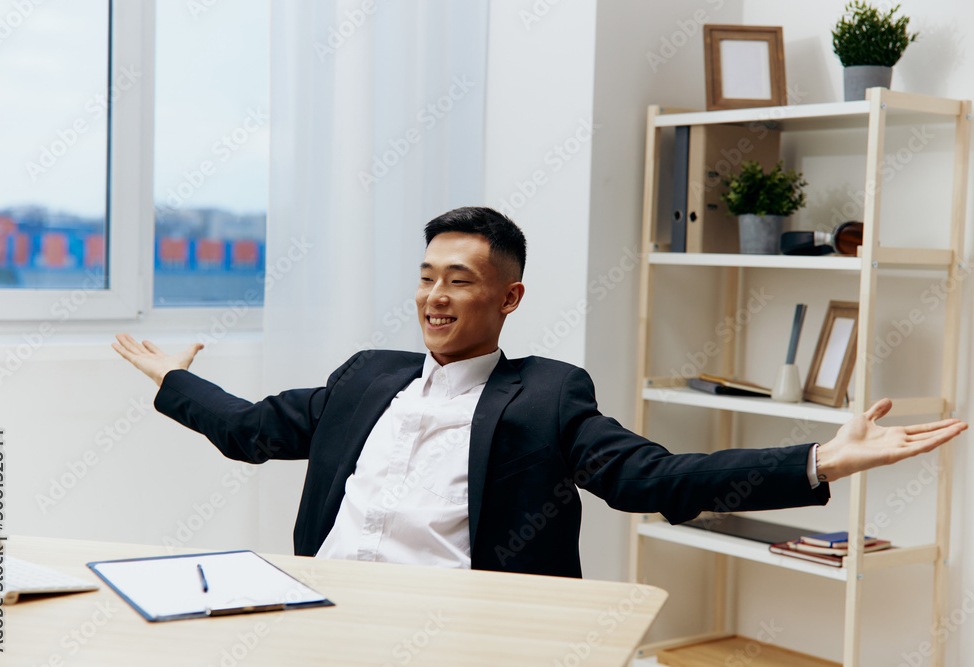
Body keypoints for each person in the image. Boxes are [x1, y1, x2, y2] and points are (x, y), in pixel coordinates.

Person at [113, 206, 966, 578]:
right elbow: (251, 430)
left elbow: (653, 479)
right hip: (331, 605)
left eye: (458, 279)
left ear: (508, 298)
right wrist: (173, 379)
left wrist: (820, 458)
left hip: (464, 623)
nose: (434, 296)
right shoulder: (365, 377)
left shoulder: (545, 397)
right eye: (425, 277)